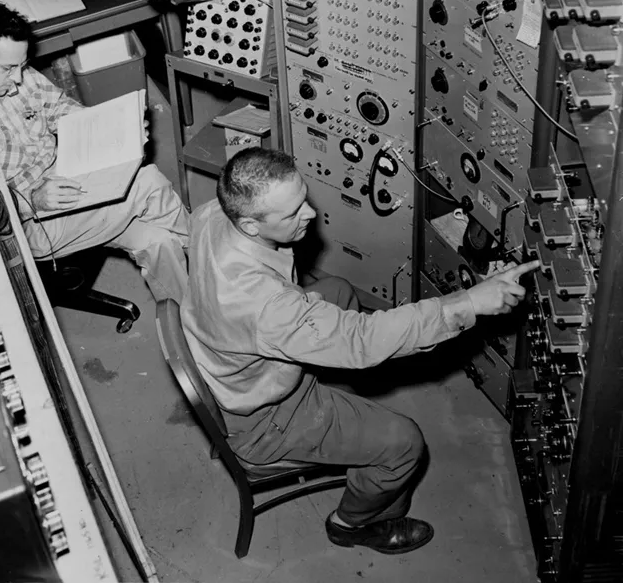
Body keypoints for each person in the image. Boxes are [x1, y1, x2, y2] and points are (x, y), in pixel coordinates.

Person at [181, 147, 538, 555]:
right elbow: (361, 340)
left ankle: (351, 405)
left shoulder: (211, 213)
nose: (311, 215)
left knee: (338, 293)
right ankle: (354, 523)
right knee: (403, 443)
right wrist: (469, 303)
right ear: (248, 224)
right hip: (267, 419)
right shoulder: (267, 308)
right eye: (292, 213)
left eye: (304, 200)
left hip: (232, 361)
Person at [0, 2, 190, 304]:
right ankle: (213, 265)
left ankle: (195, 317)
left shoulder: (14, 72)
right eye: (8, 68)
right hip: (31, 221)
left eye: (22, 66)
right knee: (149, 182)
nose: (19, 79)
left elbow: (61, 109)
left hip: (67, 178)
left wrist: (114, 129)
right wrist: (31, 199)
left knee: (159, 241)